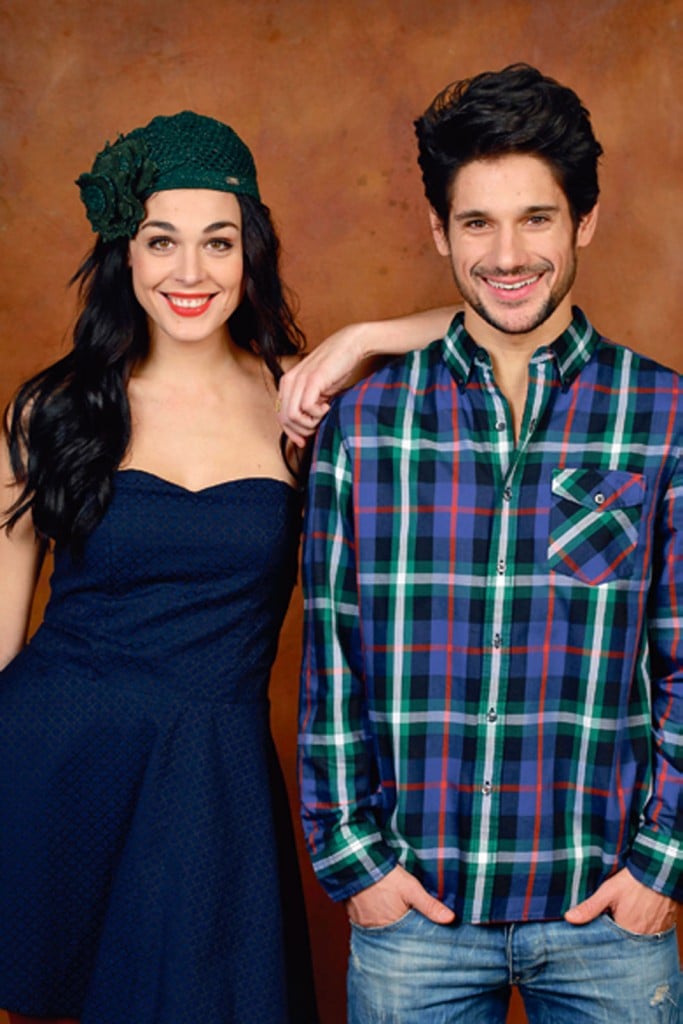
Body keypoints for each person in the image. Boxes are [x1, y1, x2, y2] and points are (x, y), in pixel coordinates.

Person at [0, 110, 455, 1024]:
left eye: (218, 241)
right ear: (125, 255)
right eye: (160, 241)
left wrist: (359, 339)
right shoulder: (51, 410)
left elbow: (489, 322)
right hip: (50, 760)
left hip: (212, 780)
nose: (190, 272)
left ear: (249, 253)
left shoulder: (298, 395)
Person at [299, 63, 681, 1023]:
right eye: (476, 223)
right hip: (412, 919)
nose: (507, 255)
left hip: (607, 917)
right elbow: (332, 655)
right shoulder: (367, 424)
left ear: (583, 220)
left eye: (535, 219)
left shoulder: (662, 417)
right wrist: (355, 862)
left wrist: (662, 864)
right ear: (439, 231)